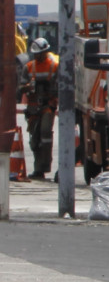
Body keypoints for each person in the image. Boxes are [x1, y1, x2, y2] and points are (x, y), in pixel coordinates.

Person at [22, 37, 57, 178]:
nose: (38, 56)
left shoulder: (54, 66)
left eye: (40, 54)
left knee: (45, 133)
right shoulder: (29, 67)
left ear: (45, 52)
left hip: (47, 106)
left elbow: (60, 87)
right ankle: (38, 170)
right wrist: (28, 87)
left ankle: (44, 165)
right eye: (36, 54)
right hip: (33, 108)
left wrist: (51, 92)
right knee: (35, 139)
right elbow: (19, 89)